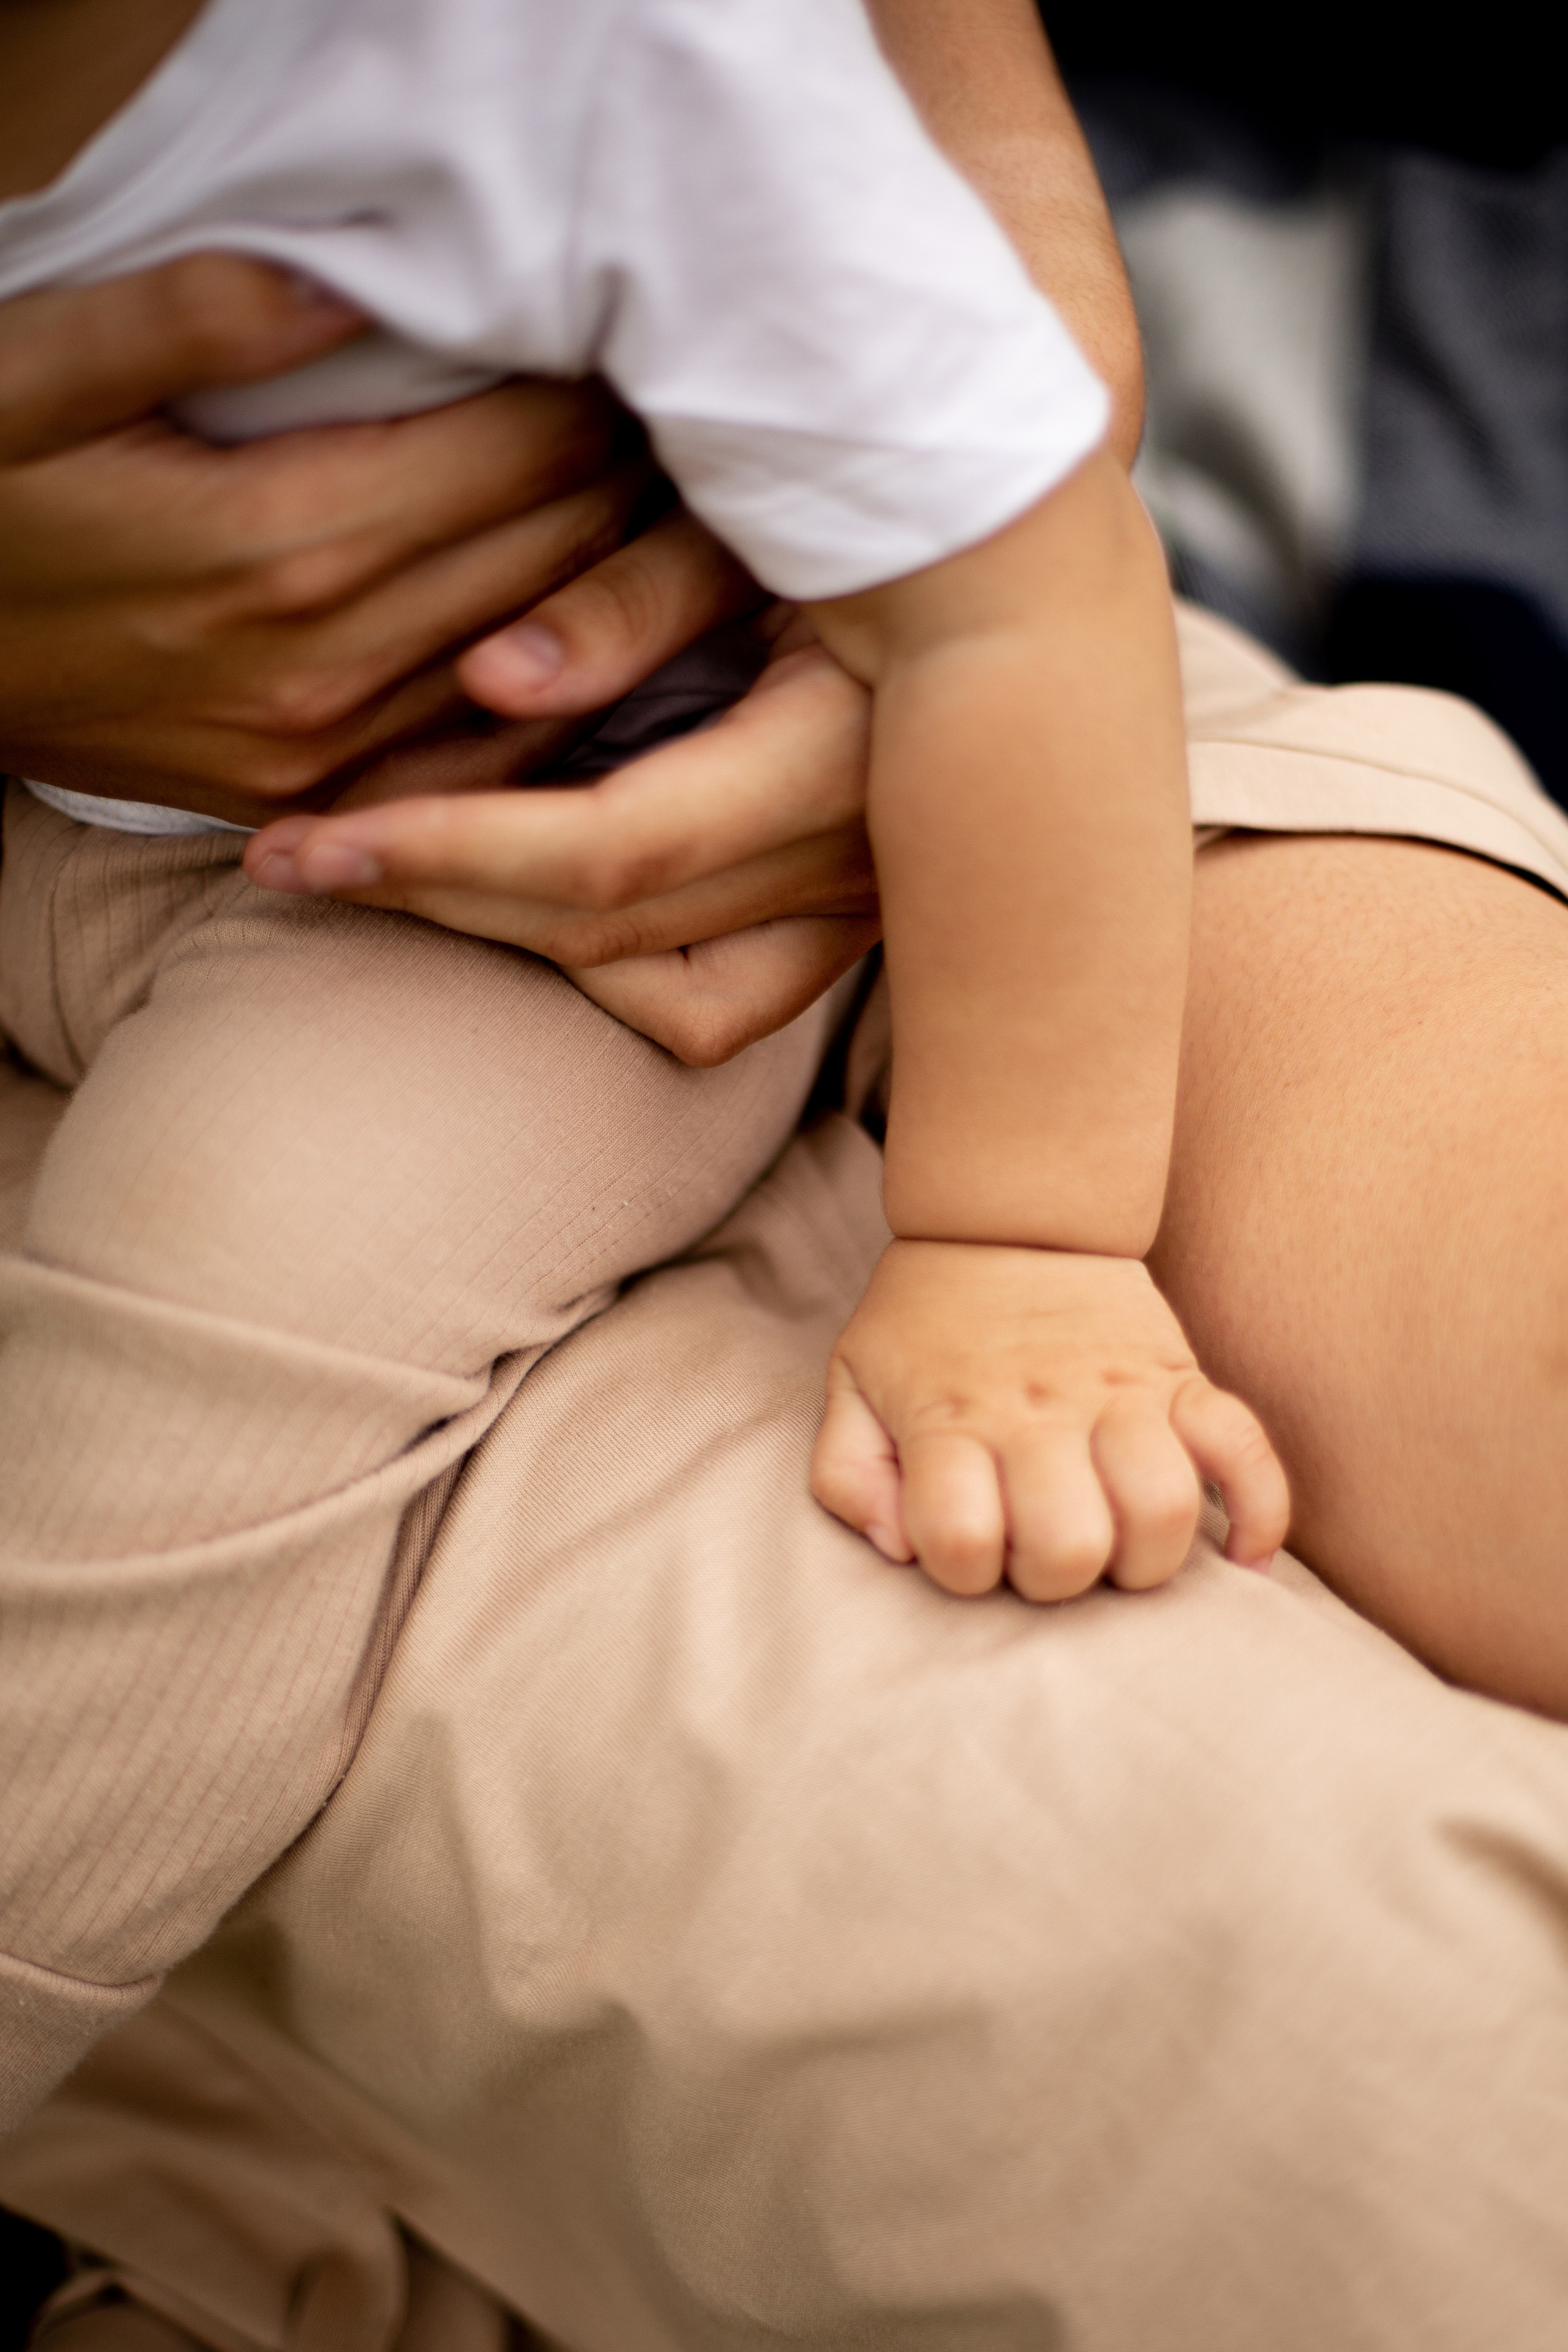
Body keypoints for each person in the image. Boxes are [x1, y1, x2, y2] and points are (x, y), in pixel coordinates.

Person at [6, 2, 1568, 2343]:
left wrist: (1023, 1242)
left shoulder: (581, 62)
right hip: (324, 942)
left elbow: (1013, 602)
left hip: (568, 857)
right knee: (154, 1489)